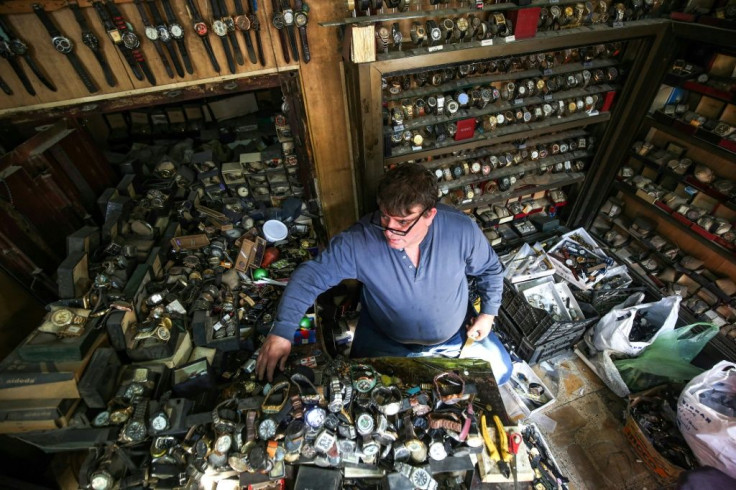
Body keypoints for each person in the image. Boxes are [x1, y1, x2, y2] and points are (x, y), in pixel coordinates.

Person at [256, 163, 512, 384]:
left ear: (429, 214)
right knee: (361, 387)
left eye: (402, 222)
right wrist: (283, 331)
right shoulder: (360, 241)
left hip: (456, 335)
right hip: (386, 338)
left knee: (501, 371)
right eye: (385, 217)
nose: (389, 230)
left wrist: (488, 314)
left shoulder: (460, 230)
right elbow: (310, 276)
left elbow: (490, 269)